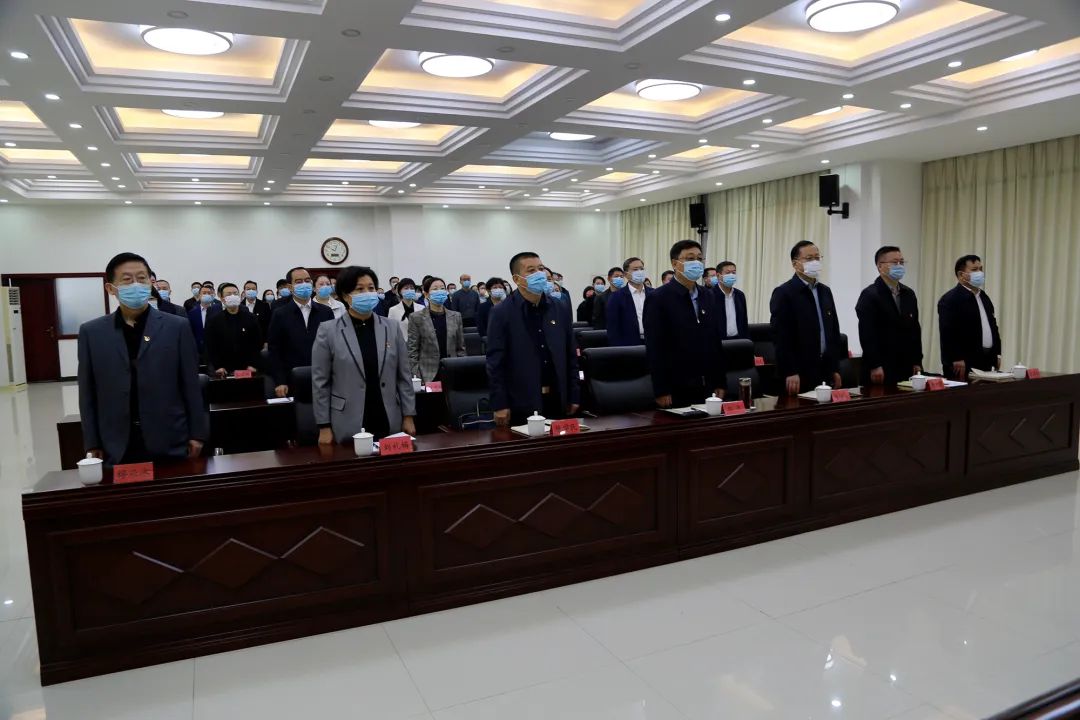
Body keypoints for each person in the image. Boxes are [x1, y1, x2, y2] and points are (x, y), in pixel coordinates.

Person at [78, 252, 207, 466]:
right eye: (127, 280)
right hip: (115, 443)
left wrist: (197, 433)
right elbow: (87, 392)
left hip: (170, 438)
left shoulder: (177, 326)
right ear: (111, 288)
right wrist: (92, 442)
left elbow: (190, 384)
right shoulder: (92, 332)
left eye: (142, 278)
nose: (136, 285)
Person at [312, 265, 416, 443]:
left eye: (371, 288)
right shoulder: (328, 331)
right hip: (347, 418)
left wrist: (408, 415)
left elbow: (404, 376)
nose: (367, 293)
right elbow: (320, 382)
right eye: (360, 289)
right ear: (345, 295)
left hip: (388, 414)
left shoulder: (391, 327)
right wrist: (324, 425)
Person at [487, 251, 580, 426]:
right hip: (521, 400)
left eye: (541, 268)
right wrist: (500, 403)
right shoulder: (502, 312)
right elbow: (495, 363)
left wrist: (574, 394)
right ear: (517, 279)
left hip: (558, 397)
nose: (539, 274)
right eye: (531, 270)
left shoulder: (560, 307)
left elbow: (570, 355)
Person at [643, 240, 727, 407]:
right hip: (676, 384)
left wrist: (720, 381)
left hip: (707, 382)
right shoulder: (658, 298)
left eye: (699, 258)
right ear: (675, 264)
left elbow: (715, 341)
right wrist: (661, 389)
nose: (696, 263)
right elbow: (655, 347)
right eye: (690, 258)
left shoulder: (708, 295)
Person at [770, 241, 844, 395]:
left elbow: (833, 331)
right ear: (795, 264)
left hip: (824, 369)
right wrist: (790, 370)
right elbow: (781, 336)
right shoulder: (784, 293)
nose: (815, 262)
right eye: (809, 259)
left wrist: (834, 368)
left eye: (817, 258)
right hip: (798, 372)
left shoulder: (825, 291)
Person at [856, 246, 923, 386]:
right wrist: (875, 364)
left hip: (906, 365)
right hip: (881, 367)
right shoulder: (870, 295)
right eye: (894, 262)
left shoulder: (909, 294)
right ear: (880, 266)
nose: (899, 266)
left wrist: (917, 361)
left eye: (901, 262)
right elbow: (867, 334)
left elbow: (915, 330)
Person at [266, 266, 334, 397]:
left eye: (307, 280)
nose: (304, 284)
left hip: (323, 378)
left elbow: (333, 346)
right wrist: (280, 381)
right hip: (292, 379)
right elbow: (274, 350)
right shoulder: (280, 314)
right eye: (298, 282)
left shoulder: (326, 312)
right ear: (290, 287)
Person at [938, 254, 1001, 380]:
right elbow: (947, 332)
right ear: (961, 275)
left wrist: (997, 353)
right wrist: (956, 357)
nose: (980, 273)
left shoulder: (984, 297)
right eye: (974, 270)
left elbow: (993, 327)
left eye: (980, 269)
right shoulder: (950, 299)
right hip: (962, 363)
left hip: (986, 361)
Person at [408, 277, 465, 383]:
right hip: (427, 375)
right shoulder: (416, 318)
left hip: (452, 371)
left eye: (442, 288)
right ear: (426, 294)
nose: (440, 291)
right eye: (435, 289)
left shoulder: (456, 316)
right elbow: (412, 351)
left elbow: (461, 349)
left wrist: (462, 370)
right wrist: (417, 376)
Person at [205, 282, 262, 378]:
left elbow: (257, 343)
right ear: (222, 298)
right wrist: (218, 366)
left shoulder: (251, 318)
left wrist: (253, 364)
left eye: (235, 293)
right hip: (223, 370)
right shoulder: (214, 320)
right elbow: (211, 346)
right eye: (229, 294)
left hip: (247, 369)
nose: (233, 296)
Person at [606, 256, 652, 346]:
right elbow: (613, 328)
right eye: (635, 269)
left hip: (653, 343)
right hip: (629, 346)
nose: (639, 272)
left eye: (641, 269)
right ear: (626, 274)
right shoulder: (616, 297)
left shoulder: (654, 294)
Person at [716, 261, 750, 340]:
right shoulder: (710, 295)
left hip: (738, 340)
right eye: (728, 273)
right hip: (718, 341)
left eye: (733, 273)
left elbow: (744, 320)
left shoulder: (740, 295)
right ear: (718, 275)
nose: (731, 275)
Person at [187, 282, 221, 358]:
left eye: (209, 293)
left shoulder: (219, 311)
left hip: (216, 350)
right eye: (204, 293)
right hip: (198, 350)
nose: (206, 295)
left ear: (213, 295)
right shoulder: (192, 313)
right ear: (199, 295)